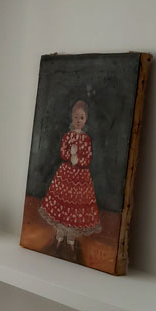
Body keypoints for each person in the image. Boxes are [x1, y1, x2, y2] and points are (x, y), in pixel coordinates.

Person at [40, 99, 101, 256]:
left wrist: (77, 159)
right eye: (75, 117)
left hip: (81, 177)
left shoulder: (87, 140)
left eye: (81, 117)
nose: (78, 120)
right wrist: (70, 154)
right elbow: (63, 153)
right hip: (66, 174)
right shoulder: (67, 136)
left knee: (76, 208)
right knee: (63, 205)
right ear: (71, 118)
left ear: (86, 119)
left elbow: (87, 159)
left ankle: (71, 240)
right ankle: (60, 236)